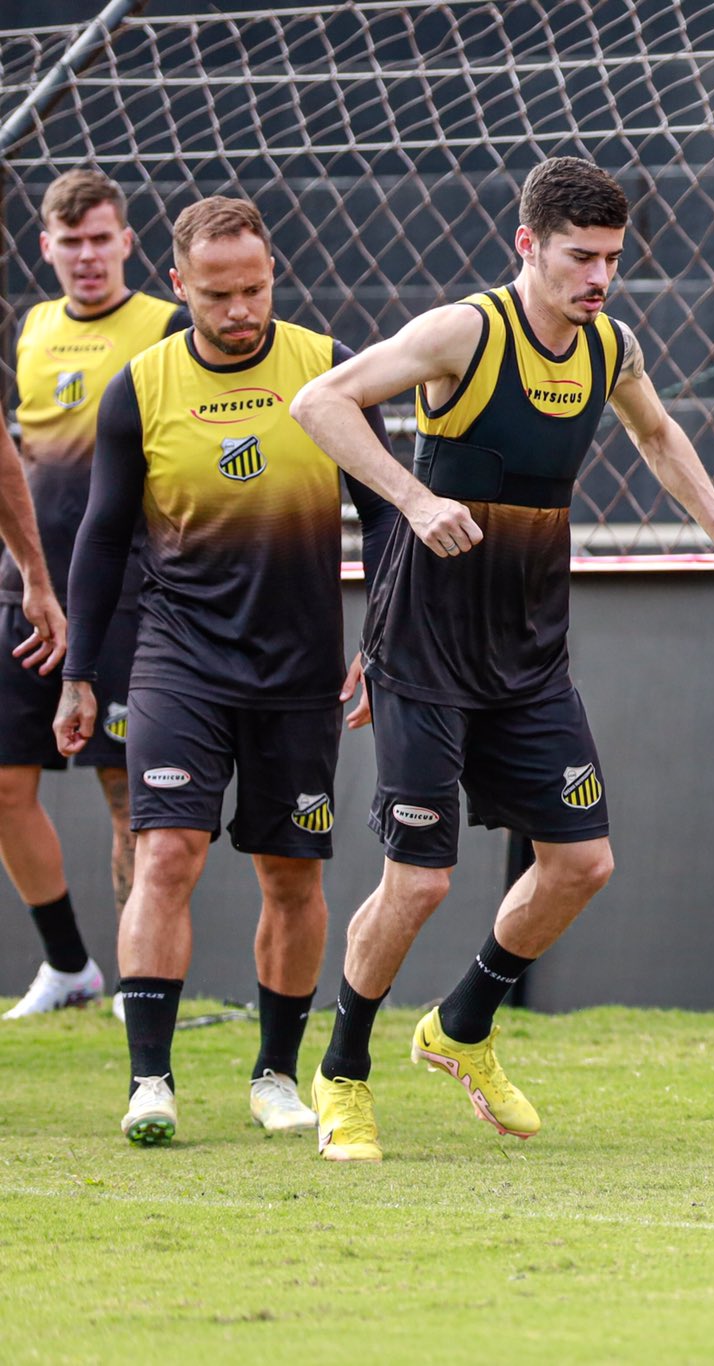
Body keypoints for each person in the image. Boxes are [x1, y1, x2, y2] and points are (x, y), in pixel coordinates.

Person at [290, 156, 714, 1162]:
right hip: (424, 647)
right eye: (580, 256)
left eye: (613, 258)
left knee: (580, 863)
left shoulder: (609, 346)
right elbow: (319, 403)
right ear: (527, 244)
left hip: (528, 652)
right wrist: (413, 497)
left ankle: (462, 1027)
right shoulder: (465, 333)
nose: (600, 277)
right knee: (421, 882)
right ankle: (343, 1073)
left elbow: (659, 438)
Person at [57, 195, 400, 1145]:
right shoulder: (141, 386)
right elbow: (101, 535)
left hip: (300, 670)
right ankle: (150, 1082)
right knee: (168, 852)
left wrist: (382, 639)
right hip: (179, 664)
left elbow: (385, 516)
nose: (241, 309)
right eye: (218, 294)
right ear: (179, 286)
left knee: (292, 874)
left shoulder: (327, 369)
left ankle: (274, 1079)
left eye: (255, 288)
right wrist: (81, 673)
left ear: (272, 277)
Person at [3, 171, 186, 1021]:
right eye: (68, 242)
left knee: (127, 790)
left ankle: (134, 977)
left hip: (123, 595)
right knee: (6, 784)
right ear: (46, 247)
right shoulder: (34, 327)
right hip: (25, 591)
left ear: (126, 242)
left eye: (99, 239)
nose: (85, 256)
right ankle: (70, 966)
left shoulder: (163, 328)